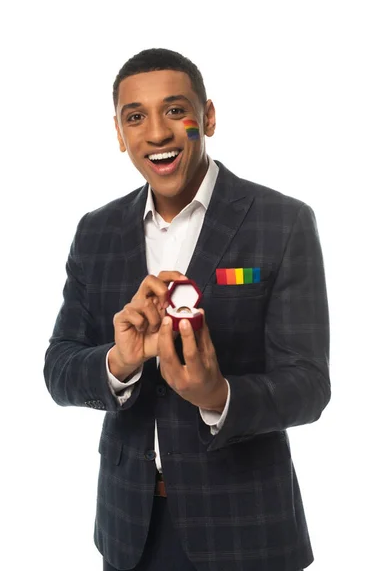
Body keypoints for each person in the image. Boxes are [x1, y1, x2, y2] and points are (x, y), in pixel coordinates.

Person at [44, 48, 330, 571]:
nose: (157, 133)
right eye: (136, 117)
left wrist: (217, 395)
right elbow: (59, 368)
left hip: (249, 530)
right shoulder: (97, 231)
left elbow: (309, 384)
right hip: (130, 530)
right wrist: (119, 362)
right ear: (119, 132)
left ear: (208, 117)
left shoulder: (281, 222)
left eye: (175, 110)